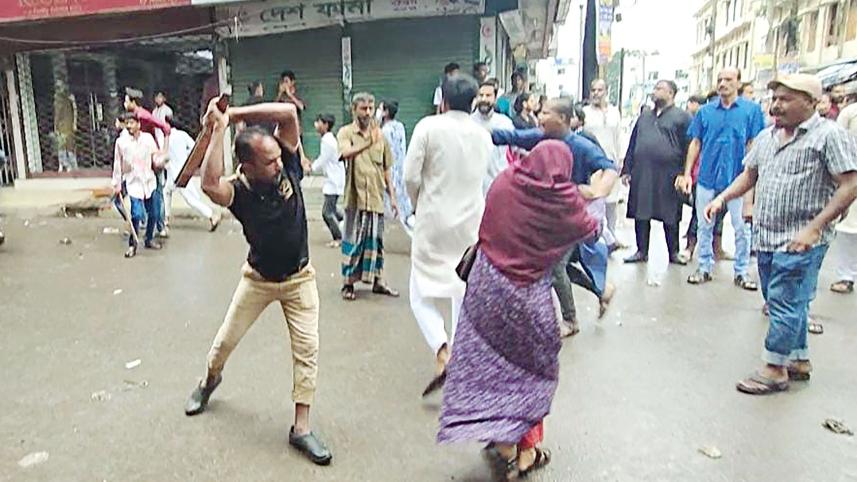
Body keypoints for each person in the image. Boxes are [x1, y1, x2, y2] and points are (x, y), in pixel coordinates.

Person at [437, 140, 599, 479]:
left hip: (485, 285)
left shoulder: (506, 181)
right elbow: (590, 230)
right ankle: (524, 450)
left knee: (490, 364)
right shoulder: (563, 199)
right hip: (525, 295)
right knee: (532, 370)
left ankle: (504, 440)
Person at [184, 99, 332, 465]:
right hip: (258, 279)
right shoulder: (239, 191)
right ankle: (209, 382)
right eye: (269, 161)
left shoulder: (289, 160)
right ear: (247, 165)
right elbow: (209, 183)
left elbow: (288, 113)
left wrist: (233, 114)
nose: (279, 162)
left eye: (278, 156)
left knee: (307, 352)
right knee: (223, 343)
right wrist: (217, 130)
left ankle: (301, 428)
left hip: (300, 279)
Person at [702, 74, 857, 395]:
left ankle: (774, 368)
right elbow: (750, 175)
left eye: (785, 99)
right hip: (768, 235)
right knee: (784, 298)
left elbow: (850, 184)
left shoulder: (829, 136)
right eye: (774, 98)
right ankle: (798, 359)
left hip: (803, 237)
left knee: (783, 301)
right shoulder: (767, 137)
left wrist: (815, 227)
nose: (776, 105)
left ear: (811, 103)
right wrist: (722, 199)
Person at [492, 97, 618, 337]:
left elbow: (610, 168)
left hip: (572, 220)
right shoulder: (541, 138)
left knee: (555, 267)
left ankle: (570, 321)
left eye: (546, 113)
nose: (540, 116)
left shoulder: (581, 146)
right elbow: (509, 137)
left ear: (562, 119)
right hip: (547, 220)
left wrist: (596, 191)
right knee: (556, 267)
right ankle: (601, 291)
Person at [404, 74, 491, 396]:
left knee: (419, 292)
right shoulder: (483, 136)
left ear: (443, 100)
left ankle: (443, 350)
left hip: (433, 220)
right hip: (471, 223)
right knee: (462, 290)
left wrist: (418, 204)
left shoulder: (428, 127)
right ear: (472, 102)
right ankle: (462, 357)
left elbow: (410, 176)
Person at [675, 67, 765, 289]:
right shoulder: (705, 112)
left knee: (741, 226)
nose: (723, 83)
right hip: (707, 177)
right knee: (704, 224)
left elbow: (753, 144)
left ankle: (742, 271)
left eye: (728, 79)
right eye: (719, 79)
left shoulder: (751, 111)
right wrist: (687, 174)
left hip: (738, 179)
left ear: (738, 83)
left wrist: (751, 185)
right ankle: (704, 266)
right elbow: (695, 143)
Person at [337, 92, 399, 301]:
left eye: (371, 108)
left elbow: (387, 167)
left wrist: (393, 197)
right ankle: (348, 284)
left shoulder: (380, 136)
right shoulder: (346, 133)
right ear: (353, 110)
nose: (368, 113)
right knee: (354, 241)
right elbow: (345, 153)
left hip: (375, 197)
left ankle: (378, 281)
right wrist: (368, 143)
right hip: (355, 198)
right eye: (363, 109)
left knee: (376, 242)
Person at [622, 80, 692, 264]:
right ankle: (641, 251)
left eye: (660, 89)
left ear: (671, 93)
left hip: (669, 173)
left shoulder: (682, 117)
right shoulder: (645, 116)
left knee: (670, 214)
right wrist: (627, 169)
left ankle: (673, 252)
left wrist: (685, 173)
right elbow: (633, 142)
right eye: (655, 88)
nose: (655, 92)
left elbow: (689, 147)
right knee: (641, 211)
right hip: (643, 172)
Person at [111, 112, 163, 258]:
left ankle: (149, 239)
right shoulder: (121, 143)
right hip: (133, 182)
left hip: (149, 180)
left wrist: (161, 160)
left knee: (154, 214)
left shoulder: (148, 139)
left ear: (139, 124)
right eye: (127, 123)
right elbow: (117, 163)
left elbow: (156, 155)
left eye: (132, 123)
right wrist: (116, 183)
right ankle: (132, 244)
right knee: (136, 214)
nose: (129, 126)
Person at [583, 79, 625, 253]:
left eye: (600, 90)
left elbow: (619, 137)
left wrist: (621, 160)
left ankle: (612, 238)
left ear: (606, 91)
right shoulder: (585, 113)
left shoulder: (614, 113)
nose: (596, 93)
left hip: (611, 162)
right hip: (593, 164)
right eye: (593, 90)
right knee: (595, 202)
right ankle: (600, 239)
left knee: (612, 202)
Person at [124, 87, 171, 238]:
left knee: (155, 193)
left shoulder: (143, 116)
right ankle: (147, 223)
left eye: (126, 100)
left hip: (149, 159)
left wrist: (163, 151)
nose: (124, 103)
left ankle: (159, 225)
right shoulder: (134, 117)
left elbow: (165, 127)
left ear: (133, 102)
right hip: (138, 159)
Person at [163, 121, 221, 232]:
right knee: (167, 191)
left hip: (175, 172)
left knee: (190, 199)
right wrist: (186, 157)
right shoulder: (182, 134)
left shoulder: (165, 138)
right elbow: (194, 148)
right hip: (183, 170)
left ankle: (211, 215)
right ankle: (165, 218)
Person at [830, 91, 857, 295]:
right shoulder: (850, 113)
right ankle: (846, 276)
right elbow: (837, 144)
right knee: (848, 230)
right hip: (851, 174)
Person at [471, 81, 514, 193]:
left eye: (488, 95)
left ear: (495, 99)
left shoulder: (505, 123)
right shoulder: (468, 123)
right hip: (474, 189)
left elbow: (515, 152)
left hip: (499, 186)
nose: (484, 99)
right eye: (481, 95)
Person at [311, 113, 346, 247]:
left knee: (327, 212)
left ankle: (339, 238)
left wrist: (311, 168)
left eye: (319, 122)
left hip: (334, 180)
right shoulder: (328, 138)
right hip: (334, 178)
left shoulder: (327, 140)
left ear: (325, 125)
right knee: (333, 209)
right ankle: (350, 225)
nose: (316, 125)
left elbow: (323, 159)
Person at [379, 100, 414, 231]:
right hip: (401, 171)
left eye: (380, 109)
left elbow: (386, 156)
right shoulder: (400, 126)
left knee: (395, 209)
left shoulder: (384, 131)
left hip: (391, 173)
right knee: (403, 207)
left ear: (386, 112)